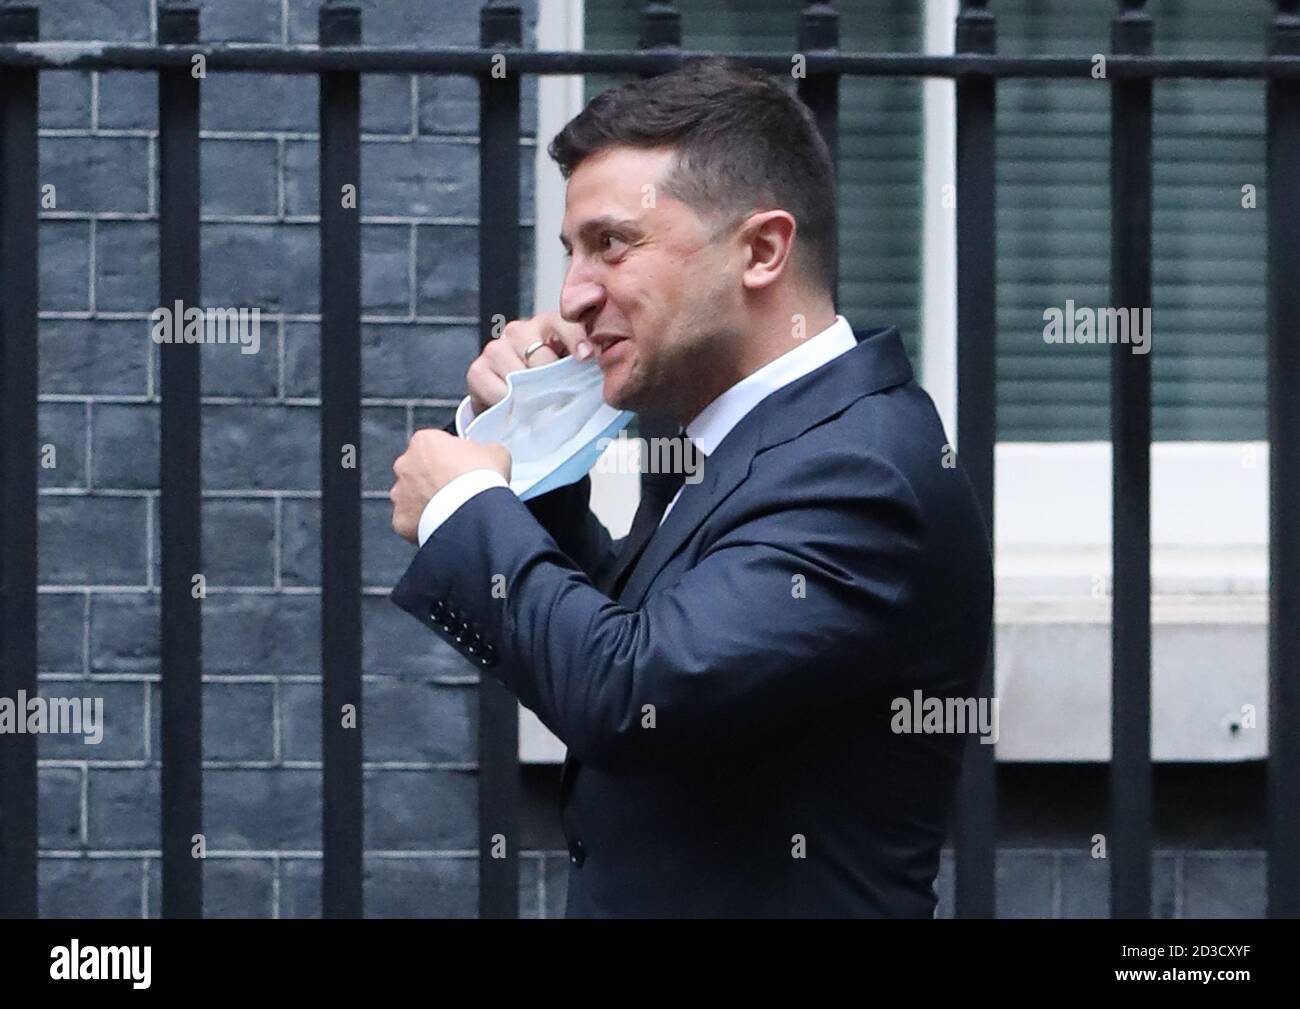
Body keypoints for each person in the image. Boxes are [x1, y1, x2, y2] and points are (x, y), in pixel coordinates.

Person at [388, 57, 992, 917]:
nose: (573, 293)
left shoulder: (858, 472)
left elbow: (634, 694)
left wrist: (463, 508)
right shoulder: (745, 439)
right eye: (571, 251)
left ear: (761, 250)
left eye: (612, 243)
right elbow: (639, 639)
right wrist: (531, 448)